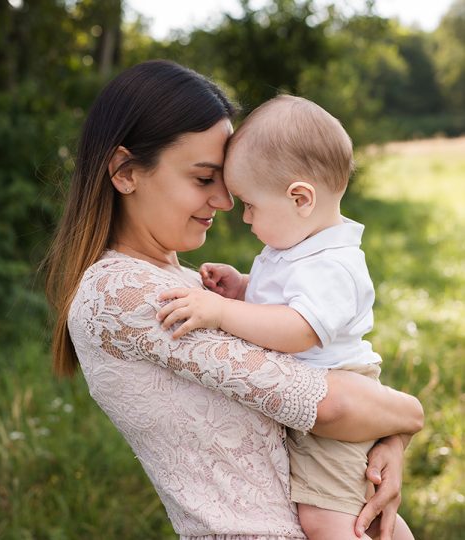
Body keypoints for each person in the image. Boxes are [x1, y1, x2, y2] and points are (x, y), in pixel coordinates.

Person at [44, 60, 423, 540]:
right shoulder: (123, 294)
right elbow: (329, 406)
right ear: (124, 172)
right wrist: (409, 415)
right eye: (204, 179)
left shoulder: (192, 287)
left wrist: (388, 441)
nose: (225, 202)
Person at [157, 95, 415, 540]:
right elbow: (281, 303)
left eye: (250, 204)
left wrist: (222, 310)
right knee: (349, 505)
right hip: (314, 395)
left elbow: (297, 330)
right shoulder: (295, 247)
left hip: (338, 395)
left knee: (332, 518)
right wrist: (242, 287)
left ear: (300, 198)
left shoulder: (332, 264)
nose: (244, 216)